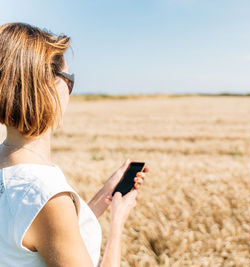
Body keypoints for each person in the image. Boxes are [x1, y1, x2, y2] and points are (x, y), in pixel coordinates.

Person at [0, 22, 149, 266]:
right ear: (46, 88)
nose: (70, 90)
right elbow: (45, 213)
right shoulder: (45, 195)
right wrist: (117, 222)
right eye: (69, 80)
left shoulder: (18, 177)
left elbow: (45, 231)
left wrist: (104, 197)